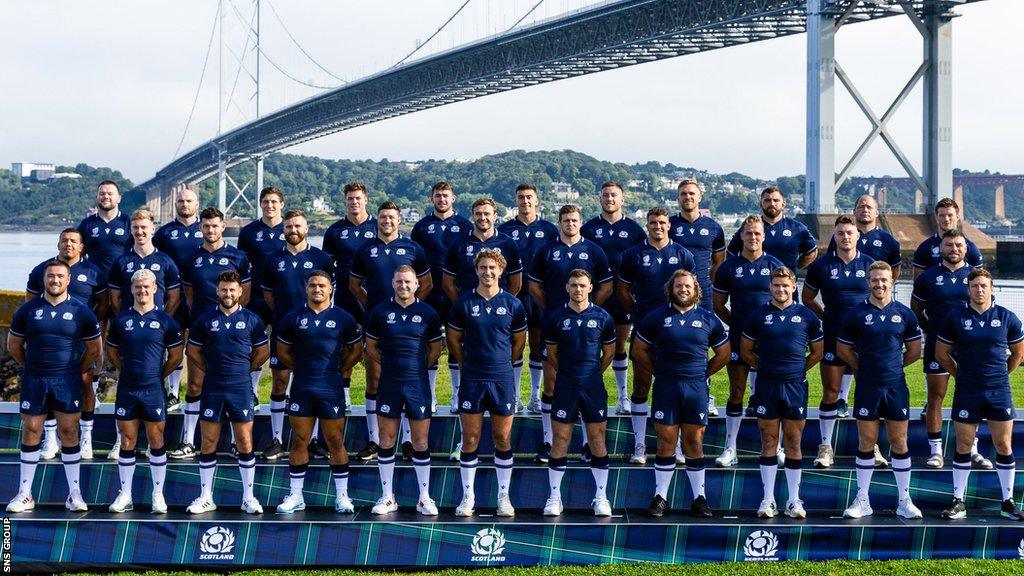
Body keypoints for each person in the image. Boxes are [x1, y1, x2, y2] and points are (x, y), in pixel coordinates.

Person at [6, 260, 102, 513]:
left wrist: (74, 369)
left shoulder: (81, 311)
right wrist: (31, 366)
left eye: (60, 276)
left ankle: (74, 494)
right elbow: (14, 346)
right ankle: (25, 494)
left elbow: (94, 349)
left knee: (70, 432)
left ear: (68, 279)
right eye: (51, 276)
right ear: (44, 279)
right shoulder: (28, 310)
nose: (55, 280)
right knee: (31, 430)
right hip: (35, 378)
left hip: (67, 380)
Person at [633, 270, 729, 518]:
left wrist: (702, 373)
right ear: (671, 289)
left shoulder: (709, 318)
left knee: (694, 442)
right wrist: (657, 371)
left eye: (687, 286)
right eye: (678, 286)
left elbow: (724, 354)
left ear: (696, 289)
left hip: (695, 388)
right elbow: (639, 350)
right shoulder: (657, 317)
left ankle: (700, 498)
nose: (683, 289)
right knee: (665, 442)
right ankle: (661, 497)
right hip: (666, 386)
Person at [837, 261, 924, 520]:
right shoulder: (856, 314)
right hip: (867, 386)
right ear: (868, 282)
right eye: (875, 280)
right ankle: (862, 499)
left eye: (884, 280)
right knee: (866, 442)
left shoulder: (905, 314)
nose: (879, 284)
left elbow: (915, 351)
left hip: (896, 386)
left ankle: (904, 501)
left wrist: (894, 367)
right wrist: (860, 367)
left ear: (892, 281)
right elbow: (844, 349)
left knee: (899, 441)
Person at [936, 269, 1024, 521]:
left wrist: (1001, 375)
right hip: (968, 389)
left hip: (999, 390)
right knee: (963, 445)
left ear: (992, 288)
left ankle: (1007, 502)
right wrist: (959, 375)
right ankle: (958, 501)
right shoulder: (956, 317)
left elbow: (1018, 354)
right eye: (974, 286)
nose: (979, 290)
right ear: (968, 290)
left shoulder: (1007, 317)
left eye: (984, 286)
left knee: (1003, 445)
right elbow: (942, 354)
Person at [529, 204, 613, 464]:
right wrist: (554, 310)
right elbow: (534, 285)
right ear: (560, 222)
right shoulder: (548, 250)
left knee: (588, 385)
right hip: (556, 324)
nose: (570, 224)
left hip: (586, 325)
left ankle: (588, 445)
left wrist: (588, 309)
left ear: (580, 222)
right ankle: (547, 440)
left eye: (574, 220)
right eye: (565, 220)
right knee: (552, 382)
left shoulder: (593, 250)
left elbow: (606, 285)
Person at [273, 271, 363, 514]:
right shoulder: (293, 318)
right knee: (300, 441)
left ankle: (342, 496)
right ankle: (296, 496)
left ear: (330, 289)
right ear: (306, 288)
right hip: (302, 386)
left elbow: (355, 351)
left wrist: (337, 368)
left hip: (330, 387)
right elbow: (283, 352)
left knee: (335, 441)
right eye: (312, 285)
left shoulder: (343, 317)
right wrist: (300, 368)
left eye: (322, 286)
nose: (317, 290)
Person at [350, 201, 432, 461]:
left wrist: (410, 306)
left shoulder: (412, 248)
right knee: (375, 380)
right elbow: (354, 285)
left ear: (399, 220)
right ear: (378, 219)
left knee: (409, 383)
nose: (387, 221)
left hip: (409, 327)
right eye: (383, 217)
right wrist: (377, 308)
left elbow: (426, 283)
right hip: (380, 324)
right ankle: (375, 440)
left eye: (392, 218)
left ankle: (408, 441)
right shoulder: (365, 249)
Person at [448, 249, 528, 517]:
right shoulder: (463, 304)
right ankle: (467, 497)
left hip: (501, 378)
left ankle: (503, 496)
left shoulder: (513, 304)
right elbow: (454, 341)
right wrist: (467, 363)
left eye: (492, 267)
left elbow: (518, 344)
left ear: (501, 270)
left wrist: (502, 363)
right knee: (470, 438)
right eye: (482, 267)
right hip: (472, 377)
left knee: (502, 437)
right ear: (476, 270)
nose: (487, 272)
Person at [741, 267, 824, 519]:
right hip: (767, 385)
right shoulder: (757, 315)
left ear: (794, 287)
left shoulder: (807, 316)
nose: (781, 290)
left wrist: (797, 370)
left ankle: (793, 500)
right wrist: (766, 369)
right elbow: (746, 351)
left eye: (785, 286)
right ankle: (768, 499)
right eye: (776, 285)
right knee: (768, 441)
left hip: (795, 386)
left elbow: (817, 352)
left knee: (793, 442)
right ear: (770, 287)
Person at [170, 207, 252, 461]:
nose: (210, 230)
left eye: (215, 226)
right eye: (205, 226)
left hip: (233, 329)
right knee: (195, 383)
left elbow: (244, 294)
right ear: (200, 228)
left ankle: (238, 443)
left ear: (223, 226)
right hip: (203, 327)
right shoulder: (192, 258)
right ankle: (188, 441)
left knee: (233, 385)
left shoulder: (238, 256)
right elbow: (190, 294)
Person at [185, 271, 269, 514]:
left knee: (244, 441)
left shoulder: (253, 320)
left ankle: (248, 497)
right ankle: (205, 496)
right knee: (208, 441)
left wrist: (245, 368)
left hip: (240, 387)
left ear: (241, 291)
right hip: (213, 386)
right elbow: (193, 352)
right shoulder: (205, 320)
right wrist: (210, 369)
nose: (228, 294)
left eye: (232, 289)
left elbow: (262, 353)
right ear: (217, 291)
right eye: (224, 289)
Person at [618, 206, 696, 465]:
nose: (658, 227)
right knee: (641, 386)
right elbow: (624, 291)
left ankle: (678, 447)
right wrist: (640, 315)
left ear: (669, 225)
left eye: (662, 222)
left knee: (676, 388)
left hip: (677, 332)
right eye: (653, 223)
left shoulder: (683, 254)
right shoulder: (634, 255)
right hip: (645, 328)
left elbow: (690, 291)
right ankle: (640, 444)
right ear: (647, 225)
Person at [364, 266, 444, 516]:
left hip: (417, 384)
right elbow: (372, 348)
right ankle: (388, 497)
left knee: (420, 442)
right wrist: (389, 365)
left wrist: (417, 367)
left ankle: (424, 498)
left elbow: (434, 350)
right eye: (399, 281)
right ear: (392, 283)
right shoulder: (380, 311)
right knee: (386, 440)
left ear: (417, 284)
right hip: (389, 383)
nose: (404, 286)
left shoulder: (428, 313)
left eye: (408, 282)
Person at [105, 269, 184, 514]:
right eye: (138, 287)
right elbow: (112, 353)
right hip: (128, 388)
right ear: (132, 290)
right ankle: (125, 494)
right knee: (127, 440)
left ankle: (158, 494)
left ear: (155, 289)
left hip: (153, 388)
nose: (142, 291)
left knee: (156, 440)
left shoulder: (165, 320)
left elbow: (176, 356)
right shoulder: (121, 320)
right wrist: (126, 370)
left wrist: (158, 375)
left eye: (147, 287)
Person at [26, 229, 108, 461]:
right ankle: (51, 438)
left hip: (81, 339)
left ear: (82, 247)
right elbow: (30, 305)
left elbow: (102, 305)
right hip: (50, 339)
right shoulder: (42, 270)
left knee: (86, 382)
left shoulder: (94, 272)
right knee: (49, 385)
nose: (68, 245)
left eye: (73, 241)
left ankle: (87, 438)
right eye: (64, 241)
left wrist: (90, 329)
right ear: (58, 244)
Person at [911, 229, 990, 469]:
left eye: (958, 245)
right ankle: (936, 450)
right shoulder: (928, 277)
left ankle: (972, 448)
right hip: (938, 343)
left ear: (966, 249)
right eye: (949, 245)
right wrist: (930, 328)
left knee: (971, 396)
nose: (954, 249)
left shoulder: (974, 277)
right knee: (935, 397)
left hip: (970, 346)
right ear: (941, 248)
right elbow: (916, 308)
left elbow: (985, 309)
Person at [260, 210, 334, 461]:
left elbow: (328, 293)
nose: (293, 230)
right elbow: (270, 296)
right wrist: (285, 317)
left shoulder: (321, 258)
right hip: (283, 329)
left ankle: (313, 440)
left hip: (313, 332)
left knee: (310, 384)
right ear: (283, 229)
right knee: (280, 381)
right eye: (289, 226)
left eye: (298, 226)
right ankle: (277, 439)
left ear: (306, 227)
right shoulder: (272, 260)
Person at [542, 269, 616, 517]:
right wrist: (568, 373)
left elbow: (609, 353)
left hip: (593, 386)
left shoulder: (603, 317)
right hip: (565, 386)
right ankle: (554, 497)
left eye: (582, 285)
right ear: (567, 288)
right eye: (573, 285)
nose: (578, 289)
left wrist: (592, 372)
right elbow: (552, 354)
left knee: (597, 440)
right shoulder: (556, 318)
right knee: (560, 440)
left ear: (591, 287)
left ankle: (601, 497)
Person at [801, 215, 873, 468]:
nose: (845, 237)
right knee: (830, 391)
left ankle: (870, 446)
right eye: (840, 233)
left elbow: (881, 296)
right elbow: (807, 298)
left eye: (849, 233)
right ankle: (825, 446)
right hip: (832, 335)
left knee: (868, 391)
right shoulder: (821, 265)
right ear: (835, 236)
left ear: (857, 236)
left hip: (864, 339)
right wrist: (826, 316)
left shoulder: (870, 264)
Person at [713, 215, 783, 467]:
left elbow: (786, 302)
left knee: (774, 394)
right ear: (741, 235)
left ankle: (778, 447)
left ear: (763, 236)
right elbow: (718, 305)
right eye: (748, 233)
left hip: (770, 339)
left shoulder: (775, 265)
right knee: (737, 391)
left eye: (757, 233)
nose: (753, 237)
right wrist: (738, 326)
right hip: (739, 336)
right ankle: (730, 448)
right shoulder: (728, 268)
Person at [823, 194, 903, 414]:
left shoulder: (888, 240)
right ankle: (842, 399)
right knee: (843, 358)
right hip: (840, 317)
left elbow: (893, 272)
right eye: (860, 207)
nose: (865, 210)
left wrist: (881, 291)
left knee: (863, 365)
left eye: (869, 207)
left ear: (877, 212)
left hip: (871, 314)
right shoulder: (841, 237)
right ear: (854, 211)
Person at [443, 197, 523, 409]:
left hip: (499, 309)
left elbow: (515, 282)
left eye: (487, 213)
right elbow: (448, 282)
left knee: (503, 350)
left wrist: (504, 306)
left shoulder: (507, 243)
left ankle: (512, 392)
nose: (483, 217)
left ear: (495, 216)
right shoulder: (459, 243)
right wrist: (463, 306)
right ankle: (456, 393)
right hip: (470, 309)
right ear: (473, 216)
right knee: (461, 348)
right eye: (478, 214)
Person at [581, 181, 646, 415]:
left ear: (622, 200)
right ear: (600, 198)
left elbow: (642, 261)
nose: (610, 199)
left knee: (619, 347)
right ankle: (588, 391)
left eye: (614, 195)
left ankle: (622, 396)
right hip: (595, 295)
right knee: (590, 347)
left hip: (622, 296)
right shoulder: (588, 228)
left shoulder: (635, 230)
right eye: (606, 195)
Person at [497, 184, 559, 414]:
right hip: (513, 294)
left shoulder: (549, 229)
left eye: (529, 197)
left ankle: (534, 395)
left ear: (537, 201)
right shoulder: (505, 229)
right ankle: (513, 396)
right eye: (521, 197)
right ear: (516, 201)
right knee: (512, 345)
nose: (525, 201)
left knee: (537, 345)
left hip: (539, 294)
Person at [411, 181, 472, 409]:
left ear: (453, 198)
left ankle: (457, 396)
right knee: (430, 345)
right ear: (431, 199)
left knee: (457, 345)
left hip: (456, 294)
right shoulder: (421, 227)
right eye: (438, 196)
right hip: (429, 293)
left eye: (446, 196)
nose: (442, 199)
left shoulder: (465, 225)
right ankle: (431, 397)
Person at [668, 178, 726, 416]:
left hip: (704, 294)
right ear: (678, 198)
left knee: (702, 345)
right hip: (675, 294)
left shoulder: (713, 227)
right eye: (683, 194)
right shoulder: (670, 224)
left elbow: (718, 262)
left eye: (692, 194)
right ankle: (671, 391)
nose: (687, 197)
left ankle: (706, 392)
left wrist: (704, 282)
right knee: (674, 343)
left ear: (699, 197)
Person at [322, 181, 378, 411]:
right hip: (346, 299)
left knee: (374, 354)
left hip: (375, 300)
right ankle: (344, 395)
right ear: (345, 201)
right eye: (350, 199)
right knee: (346, 348)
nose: (354, 202)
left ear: (366, 199)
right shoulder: (335, 231)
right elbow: (325, 269)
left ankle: (374, 398)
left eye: (358, 198)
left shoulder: (378, 226)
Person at [153, 187, 203, 411]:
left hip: (201, 296)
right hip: (173, 296)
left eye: (189, 201)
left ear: (196, 204)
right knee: (175, 342)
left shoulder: (206, 228)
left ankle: (198, 389)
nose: (185, 204)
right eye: (181, 201)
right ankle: (173, 392)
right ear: (176, 204)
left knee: (199, 345)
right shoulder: (164, 233)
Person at [238, 187, 286, 398]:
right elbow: (240, 266)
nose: (270, 206)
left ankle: (285, 392)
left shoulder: (290, 228)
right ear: (260, 204)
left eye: (274, 202)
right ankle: (253, 391)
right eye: (265, 202)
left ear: (281, 204)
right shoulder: (248, 232)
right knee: (252, 345)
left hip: (283, 297)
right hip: (256, 296)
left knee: (285, 347)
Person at [727, 186, 817, 273]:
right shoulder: (750, 228)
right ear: (761, 204)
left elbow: (812, 251)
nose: (772, 204)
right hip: (756, 284)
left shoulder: (797, 228)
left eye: (776, 200)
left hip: (784, 285)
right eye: (767, 200)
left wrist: (793, 268)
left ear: (783, 204)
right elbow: (731, 253)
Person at [108, 209, 181, 317]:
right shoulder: (120, 262)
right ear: (131, 230)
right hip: (129, 324)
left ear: (152, 229)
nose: (139, 231)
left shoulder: (166, 262)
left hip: (156, 325)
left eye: (143, 227)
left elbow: (174, 299)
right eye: (135, 227)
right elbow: (114, 300)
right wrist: (123, 321)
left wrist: (163, 321)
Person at [912, 197, 983, 278]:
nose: (946, 219)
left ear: (957, 217)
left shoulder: (970, 248)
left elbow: (979, 281)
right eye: (942, 215)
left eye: (950, 215)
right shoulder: (924, 248)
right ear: (936, 218)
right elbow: (918, 283)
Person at [77, 180, 133, 276]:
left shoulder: (128, 222)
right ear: (97, 198)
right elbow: (77, 252)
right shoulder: (87, 224)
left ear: (119, 198)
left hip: (122, 279)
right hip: (94, 280)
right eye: (102, 194)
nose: (106, 197)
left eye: (110, 194)